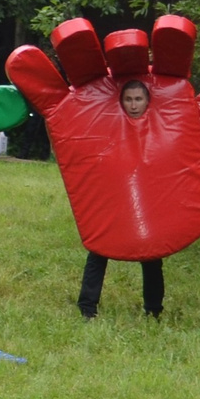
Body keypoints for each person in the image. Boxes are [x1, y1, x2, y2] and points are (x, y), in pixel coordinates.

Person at [77, 78, 169, 319]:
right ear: (121, 101)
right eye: (128, 99)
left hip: (147, 202)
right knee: (99, 251)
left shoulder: (158, 128)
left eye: (138, 99)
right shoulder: (109, 125)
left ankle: (154, 310)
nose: (134, 105)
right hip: (114, 198)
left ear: (148, 101)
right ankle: (87, 309)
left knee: (151, 256)